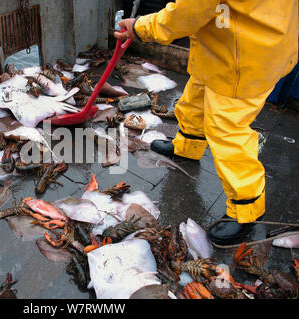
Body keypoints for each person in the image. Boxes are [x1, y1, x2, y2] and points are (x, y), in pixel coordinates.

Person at [115, 0, 298, 245]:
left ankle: (247, 209)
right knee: (195, 100)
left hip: (243, 57)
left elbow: (188, 11)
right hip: (229, 45)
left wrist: (140, 27)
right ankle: (187, 148)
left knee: (227, 131)